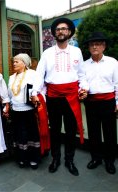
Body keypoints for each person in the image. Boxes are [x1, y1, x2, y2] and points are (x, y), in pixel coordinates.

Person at [32, 18, 87, 176]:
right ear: (55, 33)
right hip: (53, 96)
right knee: (55, 129)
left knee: (71, 130)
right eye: (58, 29)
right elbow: (39, 74)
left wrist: (84, 88)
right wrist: (34, 92)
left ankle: (69, 160)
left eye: (64, 29)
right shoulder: (47, 53)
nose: (61, 31)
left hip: (71, 96)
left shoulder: (76, 51)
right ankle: (56, 159)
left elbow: (82, 74)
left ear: (69, 32)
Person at [82, 32, 118, 174]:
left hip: (108, 102)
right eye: (92, 44)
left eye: (98, 44)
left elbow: (117, 83)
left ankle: (110, 161)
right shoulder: (84, 65)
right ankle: (96, 158)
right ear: (89, 48)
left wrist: (117, 102)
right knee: (94, 132)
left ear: (104, 46)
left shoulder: (113, 62)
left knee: (110, 133)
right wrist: (83, 89)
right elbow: (82, 81)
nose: (94, 47)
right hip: (91, 102)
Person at [7, 53, 42, 169]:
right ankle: (21, 158)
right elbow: (9, 94)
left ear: (24, 63)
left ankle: (33, 158)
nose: (14, 63)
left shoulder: (32, 74)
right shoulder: (12, 77)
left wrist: (34, 94)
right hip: (15, 110)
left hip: (28, 110)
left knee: (30, 133)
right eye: (14, 61)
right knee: (19, 134)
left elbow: (36, 88)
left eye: (17, 61)